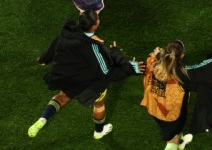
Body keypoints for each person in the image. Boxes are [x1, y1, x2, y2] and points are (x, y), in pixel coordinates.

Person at [28, 10, 144, 139]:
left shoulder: (67, 32)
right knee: (99, 103)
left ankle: (43, 119)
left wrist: (43, 59)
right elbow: (106, 72)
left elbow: (53, 47)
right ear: (94, 26)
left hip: (69, 75)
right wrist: (129, 67)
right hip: (87, 81)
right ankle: (99, 132)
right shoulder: (93, 46)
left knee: (62, 97)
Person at [141, 41, 193, 150]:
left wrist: (158, 55)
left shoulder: (153, 63)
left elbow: (151, 67)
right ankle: (176, 142)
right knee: (172, 139)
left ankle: (179, 139)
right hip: (172, 114)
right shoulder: (183, 75)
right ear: (182, 56)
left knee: (171, 131)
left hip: (155, 108)